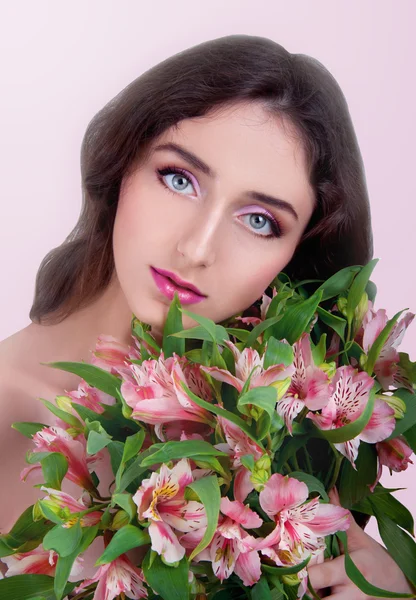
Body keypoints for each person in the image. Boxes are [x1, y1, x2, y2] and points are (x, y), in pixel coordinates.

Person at [0, 34, 413, 598]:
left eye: (260, 220)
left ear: (297, 261)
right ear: (123, 161)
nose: (197, 248)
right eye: (179, 179)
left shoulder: (280, 463)